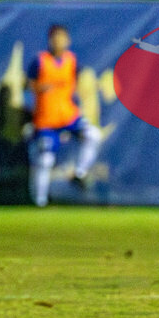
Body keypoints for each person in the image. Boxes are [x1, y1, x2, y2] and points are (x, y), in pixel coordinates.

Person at [26, 24, 102, 207]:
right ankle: (40, 202)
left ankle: (80, 173)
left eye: (61, 37)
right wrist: (38, 88)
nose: (58, 41)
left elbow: (75, 83)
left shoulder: (71, 60)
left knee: (93, 135)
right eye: (55, 38)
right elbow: (28, 84)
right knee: (45, 160)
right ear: (49, 40)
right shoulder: (40, 60)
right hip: (47, 118)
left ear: (68, 40)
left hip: (68, 115)